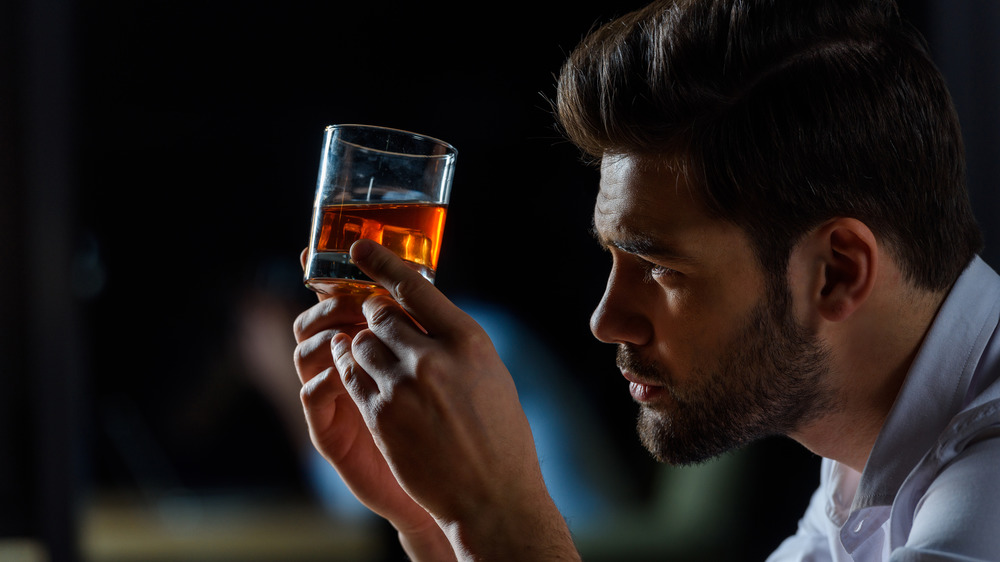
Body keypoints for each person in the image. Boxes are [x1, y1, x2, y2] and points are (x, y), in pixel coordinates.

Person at [292, 0, 1000, 560]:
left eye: (659, 266)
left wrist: (496, 513)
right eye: (613, 257)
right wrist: (432, 520)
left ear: (837, 273)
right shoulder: (865, 464)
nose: (605, 319)